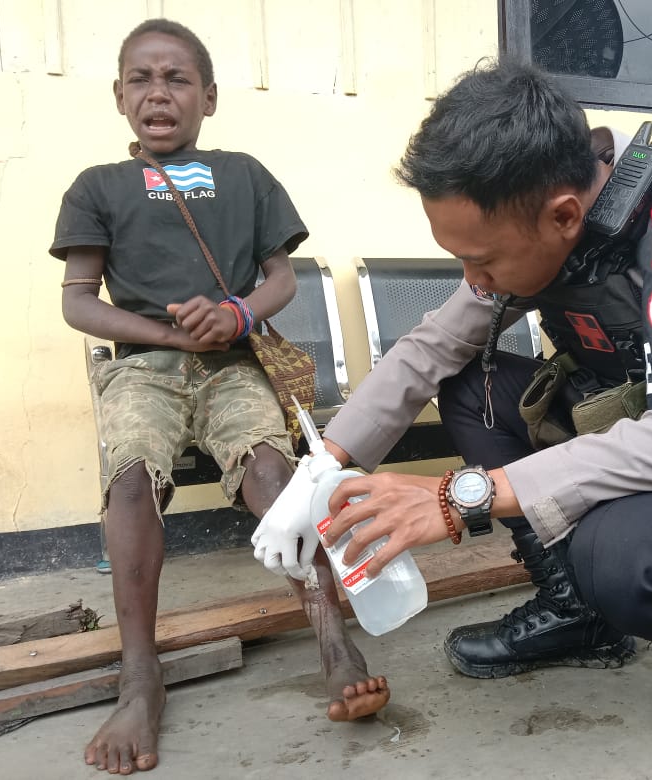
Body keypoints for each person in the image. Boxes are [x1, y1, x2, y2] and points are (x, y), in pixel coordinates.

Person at [254, 60, 652, 747]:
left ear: (564, 215)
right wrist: (318, 470)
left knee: (622, 557)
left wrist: (458, 496)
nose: (475, 282)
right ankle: (579, 612)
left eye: (484, 263)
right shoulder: (534, 215)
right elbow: (429, 348)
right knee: (478, 388)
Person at [50, 18, 388, 775]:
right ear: (118, 96)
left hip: (236, 362)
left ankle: (332, 636)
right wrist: (169, 337)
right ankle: (140, 677)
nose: (158, 92)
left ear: (208, 97)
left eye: (176, 79)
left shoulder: (243, 175)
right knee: (130, 478)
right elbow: (77, 301)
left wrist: (234, 314)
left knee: (272, 473)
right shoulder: (97, 186)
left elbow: (279, 280)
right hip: (144, 365)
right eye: (141, 78)